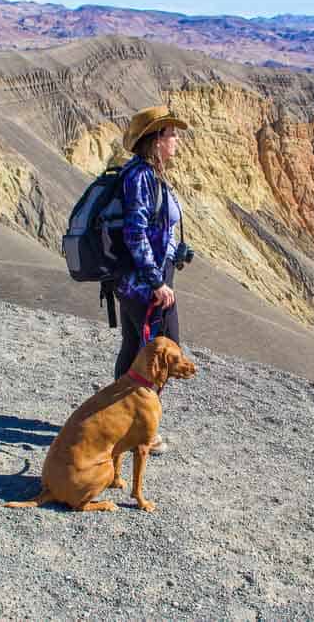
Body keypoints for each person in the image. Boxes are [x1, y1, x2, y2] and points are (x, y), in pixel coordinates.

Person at [114, 105, 189, 454]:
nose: (176, 141)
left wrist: (174, 252)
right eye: (171, 134)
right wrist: (157, 281)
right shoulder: (141, 177)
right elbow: (135, 232)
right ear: (156, 139)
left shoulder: (149, 174)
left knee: (134, 350)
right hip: (145, 286)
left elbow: (155, 229)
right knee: (162, 351)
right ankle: (142, 429)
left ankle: (118, 420)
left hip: (141, 282)